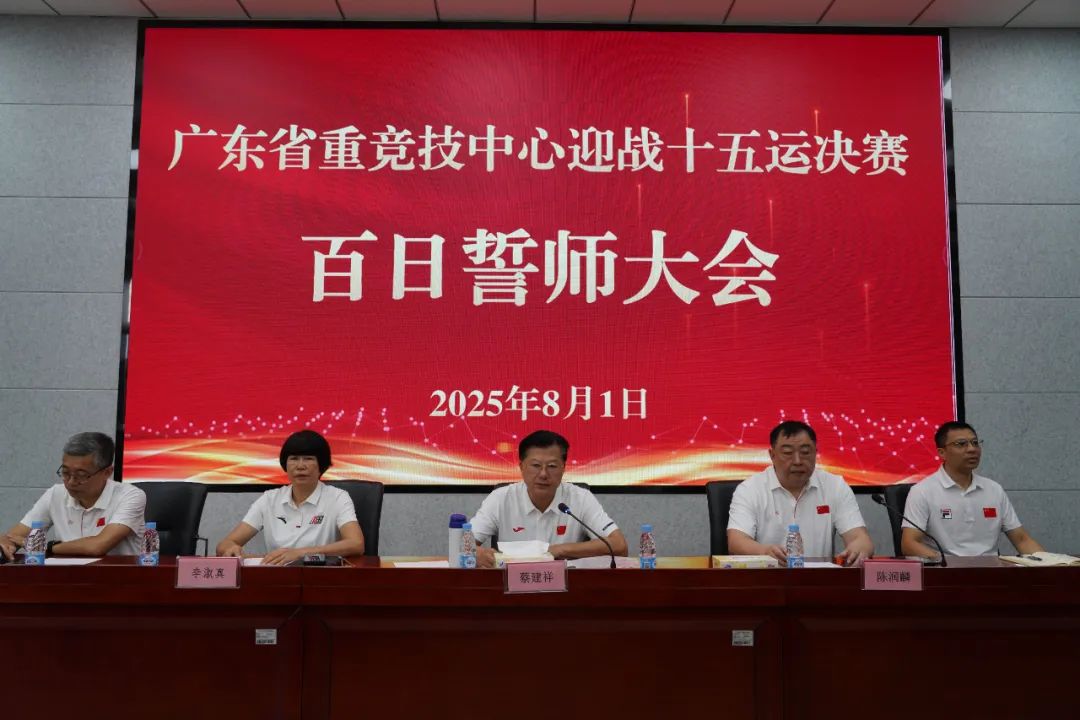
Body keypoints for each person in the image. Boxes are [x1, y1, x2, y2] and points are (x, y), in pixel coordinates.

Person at [470, 430, 628, 568]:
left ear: (563, 468)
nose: (543, 474)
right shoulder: (501, 498)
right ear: (521, 467)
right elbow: (463, 545)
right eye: (536, 465)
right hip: (512, 586)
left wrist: (559, 550)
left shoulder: (581, 498)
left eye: (552, 466)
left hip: (566, 588)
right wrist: (476, 553)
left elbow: (619, 545)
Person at [727, 421, 873, 566]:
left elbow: (860, 538)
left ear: (815, 453)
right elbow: (736, 542)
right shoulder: (750, 489)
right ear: (772, 455)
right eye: (788, 453)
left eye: (805, 452)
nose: (797, 461)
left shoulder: (835, 486)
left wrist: (859, 549)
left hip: (819, 578)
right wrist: (764, 552)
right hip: (767, 577)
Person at [216, 429, 364, 565]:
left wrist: (300, 553)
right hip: (277, 577)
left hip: (321, 575)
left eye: (308, 459)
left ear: (321, 465)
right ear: (285, 465)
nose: (300, 466)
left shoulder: (338, 497)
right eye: (294, 458)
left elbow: (356, 543)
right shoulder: (269, 499)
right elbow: (225, 544)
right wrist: (231, 548)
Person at [901, 421, 1043, 559]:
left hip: (990, 570)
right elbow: (910, 544)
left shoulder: (994, 490)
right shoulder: (923, 491)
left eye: (975, 443)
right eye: (961, 444)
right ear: (942, 452)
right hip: (946, 569)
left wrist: (1050, 563)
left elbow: (1022, 540)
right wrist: (948, 565)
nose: (972, 449)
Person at [1, 432, 145, 561]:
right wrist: (6, 544)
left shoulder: (130, 496)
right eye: (65, 473)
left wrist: (47, 547)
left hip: (117, 577)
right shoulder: (55, 494)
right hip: (65, 577)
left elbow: (97, 546)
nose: (70, 482)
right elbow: (15, 536)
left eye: (81, 475)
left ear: (107, 472)